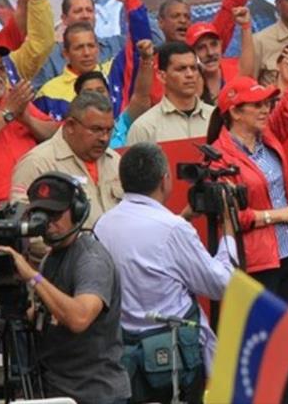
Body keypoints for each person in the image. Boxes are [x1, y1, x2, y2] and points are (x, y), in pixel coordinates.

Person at [205, 13, 288, 404]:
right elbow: (229, 218)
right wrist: (277, 215)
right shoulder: (219, 156)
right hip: (256, 265)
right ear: (234, 111)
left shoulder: (269, 133)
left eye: (265, 102)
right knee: (259, 355)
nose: (265, 109)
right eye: (256, 104)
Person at [96, 143, 237, 403]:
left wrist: (182, 217)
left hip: (126, 356)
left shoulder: (104, 224)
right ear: (165, 180)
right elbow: (221, 284)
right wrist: (228, 228)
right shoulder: (173, 229)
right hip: (175, 360)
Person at [0, 171, 130, 403]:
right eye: (41, 214)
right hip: (55, 389)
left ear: (77, 212)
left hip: (92, 393)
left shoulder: (91, 259)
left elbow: (79, 318)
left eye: (55, 214)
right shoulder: (52, 257)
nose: (48, 223)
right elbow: (44, 316)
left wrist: (33, 277)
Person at [34, 0, 152, 120]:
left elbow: (141, 42)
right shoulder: (49, 92)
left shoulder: (113, 71)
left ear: (98, 48)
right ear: (65, 53)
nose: (86, 53)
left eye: (91, 46)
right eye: (79, 48)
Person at [11, 91, 123, 227]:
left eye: (109, 130)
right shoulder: (38, 163)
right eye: (96, 129)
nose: (104, 138)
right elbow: (22, 223)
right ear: (70, 125)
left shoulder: (116, 161)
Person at [0, 40, 58, 213]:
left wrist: (28, 121)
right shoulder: (12, 104)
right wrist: (8, 112)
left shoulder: (15, 99)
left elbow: (55, 134)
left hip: (33, 202)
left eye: (0, 68)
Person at [73, 39, 156, 148]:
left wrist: (146, 61)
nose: (96, 96)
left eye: (100, 91)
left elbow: (141, 96)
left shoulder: (123, 123)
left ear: (108, 94)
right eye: (88, 93)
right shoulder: (73, 134)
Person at [126, 42, 214, 144]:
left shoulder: (217, 119)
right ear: (162, 76)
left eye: (193, 68)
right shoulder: (144, 128)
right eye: (181, 69)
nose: (190, 74)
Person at [186, 6, 256, 104]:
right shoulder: (186, 83)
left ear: (221, 45)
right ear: (190, 53)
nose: (210, 53)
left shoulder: (234, 69)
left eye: (214, 44)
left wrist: (245, 26)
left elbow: (247, 72)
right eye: (201, 48)